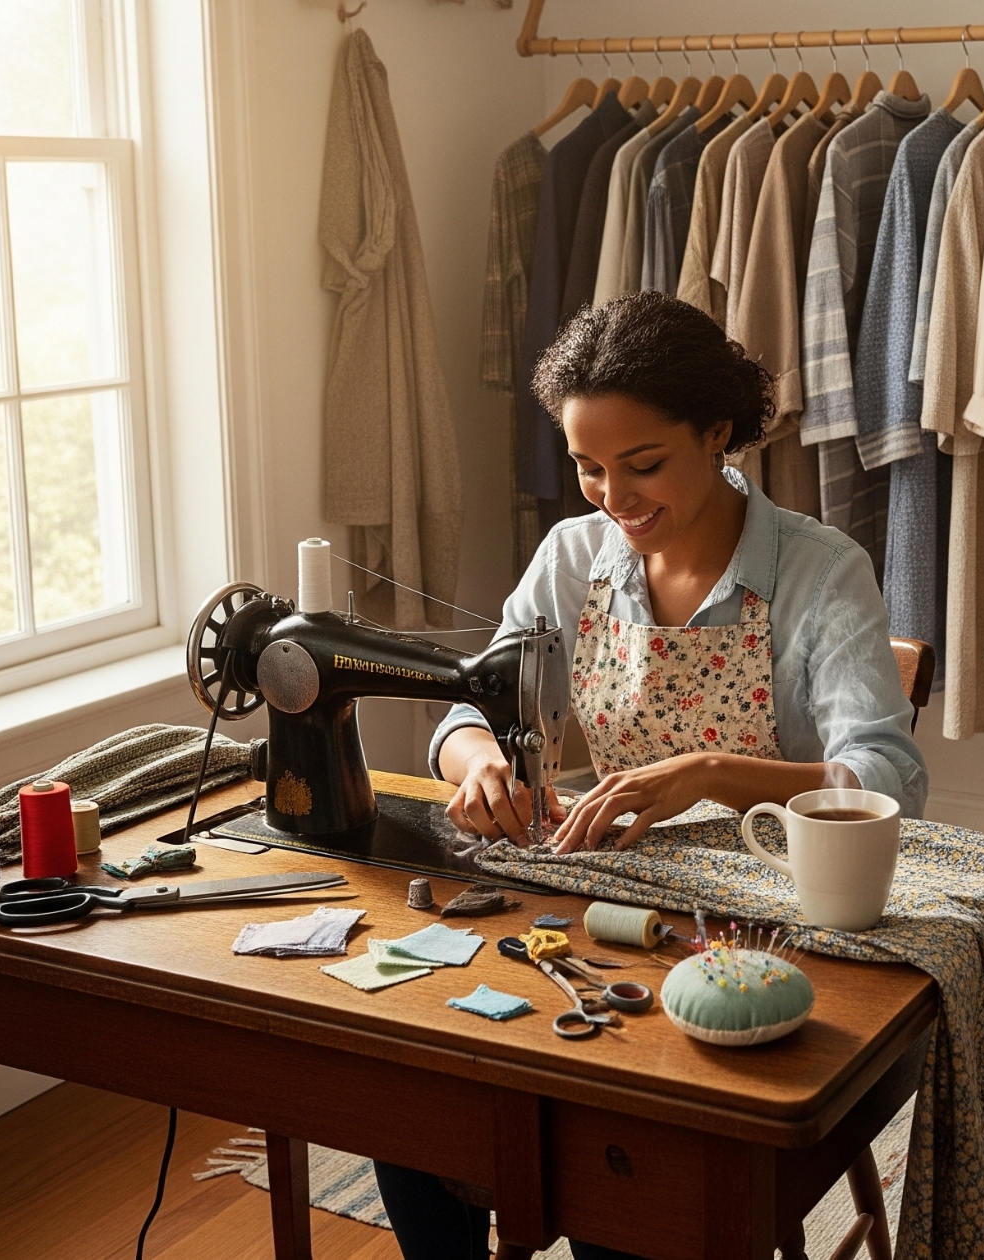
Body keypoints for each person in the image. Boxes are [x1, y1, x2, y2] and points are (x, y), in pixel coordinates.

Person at [374, 291, 926, 1260]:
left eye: (642, 465)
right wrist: (482, 762)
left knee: (619, 1167)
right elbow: (469, 709)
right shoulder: (573, 558)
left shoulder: (818, 571)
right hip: (609, 910)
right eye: (588, 468)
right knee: (415, 1107)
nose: (612, 498)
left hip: (764, 926)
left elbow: (888, 778)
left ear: (716, 433)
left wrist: (707, 772)